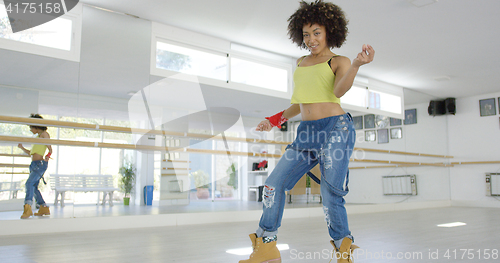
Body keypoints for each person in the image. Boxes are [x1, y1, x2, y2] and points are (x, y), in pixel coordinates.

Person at [239, 1, 374, 263]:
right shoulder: (300, 62)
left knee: (330, 192)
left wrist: (356, 64)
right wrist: (274, 120)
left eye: (316, 32)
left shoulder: (340, 61)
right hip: (306, 132)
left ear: (329, 32)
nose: (311, 39)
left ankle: (343, 250)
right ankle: (266, 245)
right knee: (273, 184)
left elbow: (338, 91)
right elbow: (299, 104)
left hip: (336, 128)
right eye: (306, 34)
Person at [18, 113, 53, 219]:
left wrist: (48, 155)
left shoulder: (43, 134)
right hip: (33, 164)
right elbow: (32, 153)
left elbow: (50, 148)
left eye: (31, 127)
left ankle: (27, 207)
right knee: (33, 186)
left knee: (29, 184)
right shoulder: (37, 138)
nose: (30, 130)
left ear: (36, 126)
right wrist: (22, 148)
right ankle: (43, 207)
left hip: (40, 164)